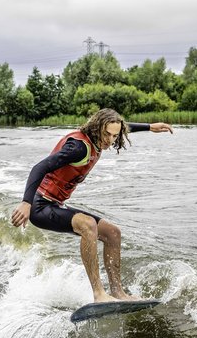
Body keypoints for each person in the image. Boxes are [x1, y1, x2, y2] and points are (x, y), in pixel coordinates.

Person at [11, 108, 173, 303]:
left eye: (114, 136)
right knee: (88, 225)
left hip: (55, 204)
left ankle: (118, 293)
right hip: (40, 206)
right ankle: (99, 294)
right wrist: (26, 202)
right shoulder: (78, 148)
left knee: (113, 233)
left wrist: (149, 127)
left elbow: (122, 128)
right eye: (106, 134)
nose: (110, 140)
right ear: (97, 128)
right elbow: (40, 167)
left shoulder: (102, 138)